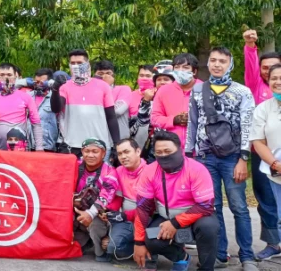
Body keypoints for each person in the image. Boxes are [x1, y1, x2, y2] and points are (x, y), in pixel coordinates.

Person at [185, 47, 257, 270]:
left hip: (233, 157)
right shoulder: (198, 91)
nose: (217, 65)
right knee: (212, 207)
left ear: (230, 64)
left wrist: (243, 158)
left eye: (222, 61)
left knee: (239, 207)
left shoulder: (242, 92)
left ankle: (247, 256)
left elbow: (248, 126)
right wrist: (189, 154)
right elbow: (192, 123)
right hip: (205, 158)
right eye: (213, 60)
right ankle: (220, 254)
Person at [134, 131, 218, 271]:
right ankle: (181, 257)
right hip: (166, 216)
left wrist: (175, 223)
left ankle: (206, 268)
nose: (163, 155)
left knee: (208, 228)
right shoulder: (149, 171)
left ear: (180, 150)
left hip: (197, 216)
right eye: (158, 152)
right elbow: (143, 208)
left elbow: (205, 205)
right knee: (151, 241)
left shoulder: (197, 169)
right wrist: (138, 242)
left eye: (168, 151)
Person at [244, 30, 281, 261]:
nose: (269, 72)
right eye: (265, 68)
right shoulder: (258, 87)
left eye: (274, 67)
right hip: (264, 153)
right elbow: (250, 68)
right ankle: (273, 243)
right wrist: (250, 46)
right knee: (267, 199)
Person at [51, 49, 120, 155]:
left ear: (87, 64)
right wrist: (55, 89)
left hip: (99, 145)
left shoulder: (103, 86)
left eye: (79, 63)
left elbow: (111, 116)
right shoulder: (65, 86)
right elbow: (56, 108)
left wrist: (117, 144)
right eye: (72, 63)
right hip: (72, 146)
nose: (75, 66)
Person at [72, 138, 118, 262]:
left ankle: (100, 249)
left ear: (103, 153)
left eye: (95, 151)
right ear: (82, 151)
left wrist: (89, 214)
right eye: (87, 151)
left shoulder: (110, 172)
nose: (90, 155)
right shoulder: (74, 165)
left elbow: (105, 197)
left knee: (95, 224)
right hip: (75, 209)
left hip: (98, 214)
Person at [0, 63, 43, 151]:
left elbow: (36, 123)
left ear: (15, 77)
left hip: (20, 152)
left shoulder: (26, 97)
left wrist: (39, 148)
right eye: (2, 75)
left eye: (9, 75)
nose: (6, 78)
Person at [105, 138, 149, 263]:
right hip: (125, 219)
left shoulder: (150, 171)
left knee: (149, 239)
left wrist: (124, 215)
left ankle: (148, 251)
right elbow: (118, 198)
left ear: (138, 151)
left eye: (126, 152)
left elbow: (150, 208)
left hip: (146, 218)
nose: (123, 157)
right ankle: (136, 248)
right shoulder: (119, 171)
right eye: (119, 154)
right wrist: (109, 211)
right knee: (112, 249)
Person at [151, 55, 196, 149]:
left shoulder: (204, 89)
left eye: (186, 67)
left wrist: (193, 118)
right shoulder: (164, 91)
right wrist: (173, 120)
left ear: (194, 71)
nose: (181, 71)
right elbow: (154, 118)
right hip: (172, 148)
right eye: (177, 67)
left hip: (199, 149)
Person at [94, 60, 132, 142]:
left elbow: (117, 111)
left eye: (108, 73)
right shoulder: (90, 92)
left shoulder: (124, 89)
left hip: (120, 141)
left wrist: (106, 86)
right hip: (97, 142)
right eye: (100, 74)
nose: (105, 76)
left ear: (113, 75)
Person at [129, 65, 157, 150]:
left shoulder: (160, 95)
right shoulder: (130, 95)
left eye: (148, 76)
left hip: (155, 139)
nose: (144, 78)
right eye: (141, 75)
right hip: (134, 139)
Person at [31, 69, 59, 151]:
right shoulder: (28, 96)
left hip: (47, 145)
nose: (39, 85)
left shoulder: (55, 98)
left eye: (42, 82)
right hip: (28, 144)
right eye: (36, 82)